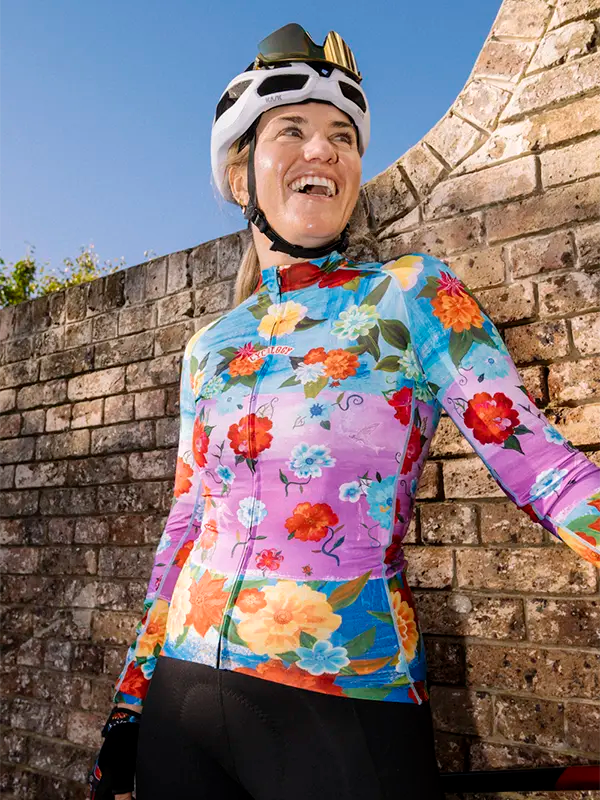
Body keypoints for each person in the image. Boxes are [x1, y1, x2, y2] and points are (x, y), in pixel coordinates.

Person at [89, 22, 600, 800]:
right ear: (240, 174)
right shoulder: (209, 347)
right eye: (291, 130)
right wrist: (130, 702)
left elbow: (544, 468)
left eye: (342, 136)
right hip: (182, 702)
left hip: (348, 700)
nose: (322, 150)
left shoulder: (409, 293)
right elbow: (186, 524)